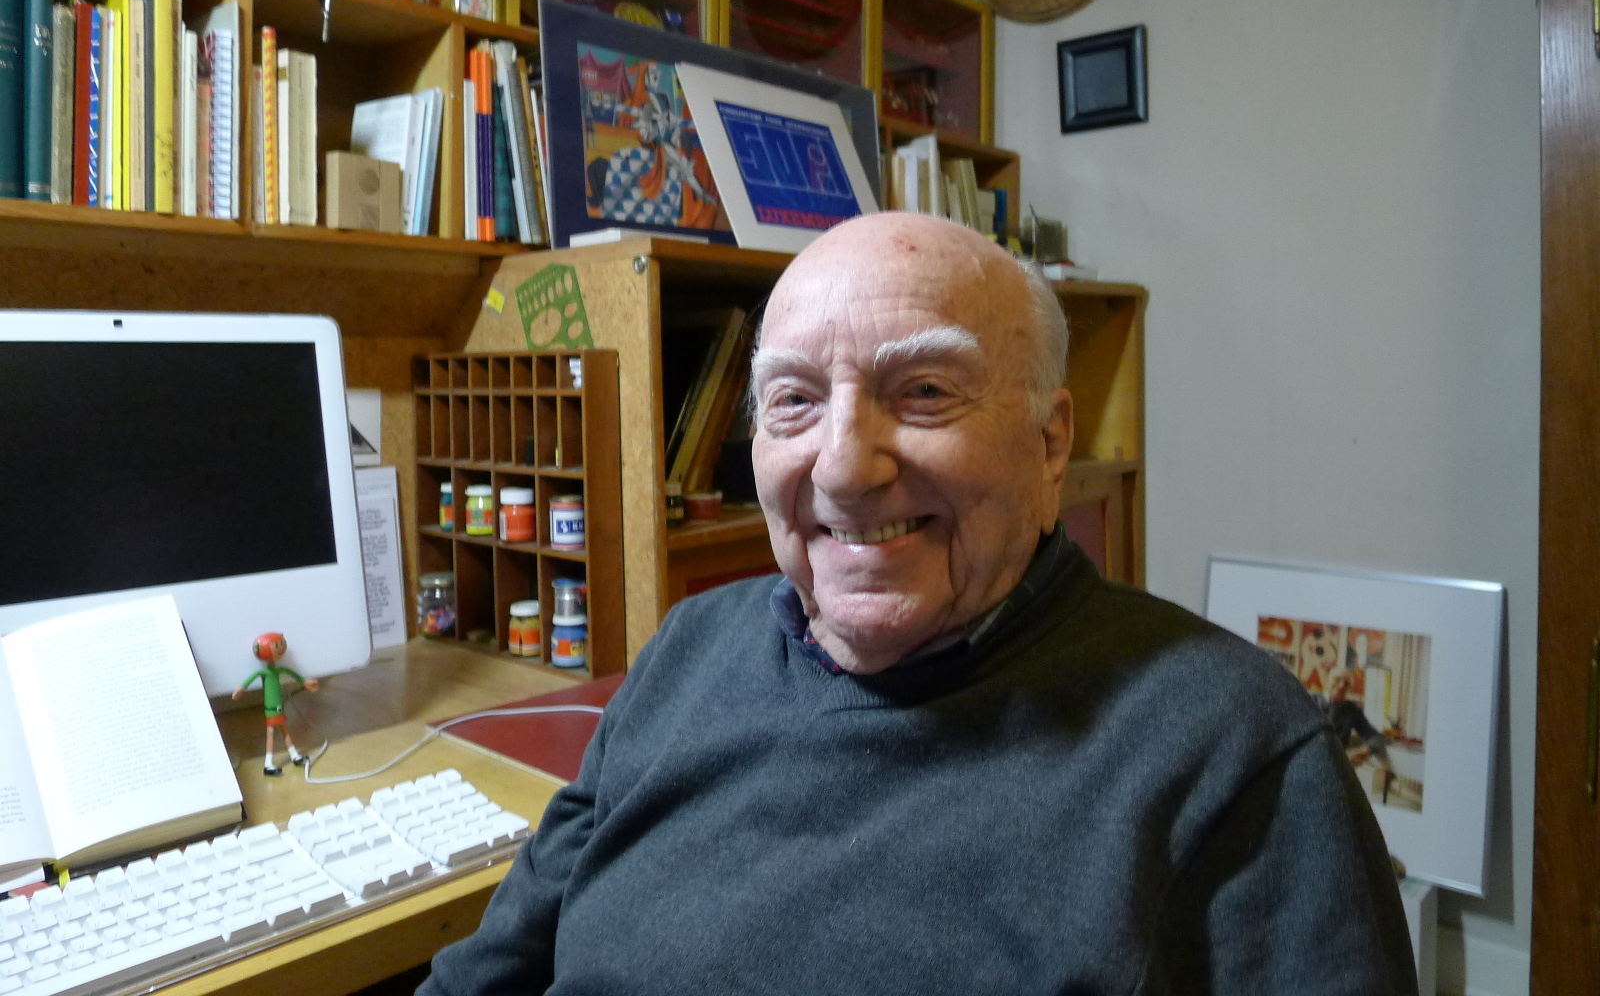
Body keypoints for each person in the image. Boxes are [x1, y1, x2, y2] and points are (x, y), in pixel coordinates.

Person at [420, 212, 1417, 995]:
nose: (843, 468)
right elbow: (489, 972)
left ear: (1050, 442)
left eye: (926, 392)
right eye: (794, 401)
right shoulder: (690, 648)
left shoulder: (1234, 750)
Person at [233, 631, 318, 776]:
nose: (281, 648)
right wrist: (241, 689)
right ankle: (268, 764)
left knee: (284, 730)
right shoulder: (264, 673)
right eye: (277, 645)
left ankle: (294, 756)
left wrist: (305, 682)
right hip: (271, 708)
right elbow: (250, 679)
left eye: (281, 644)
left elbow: (293, 675)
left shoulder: (279, 670)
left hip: (279, 707)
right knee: (271, 733)